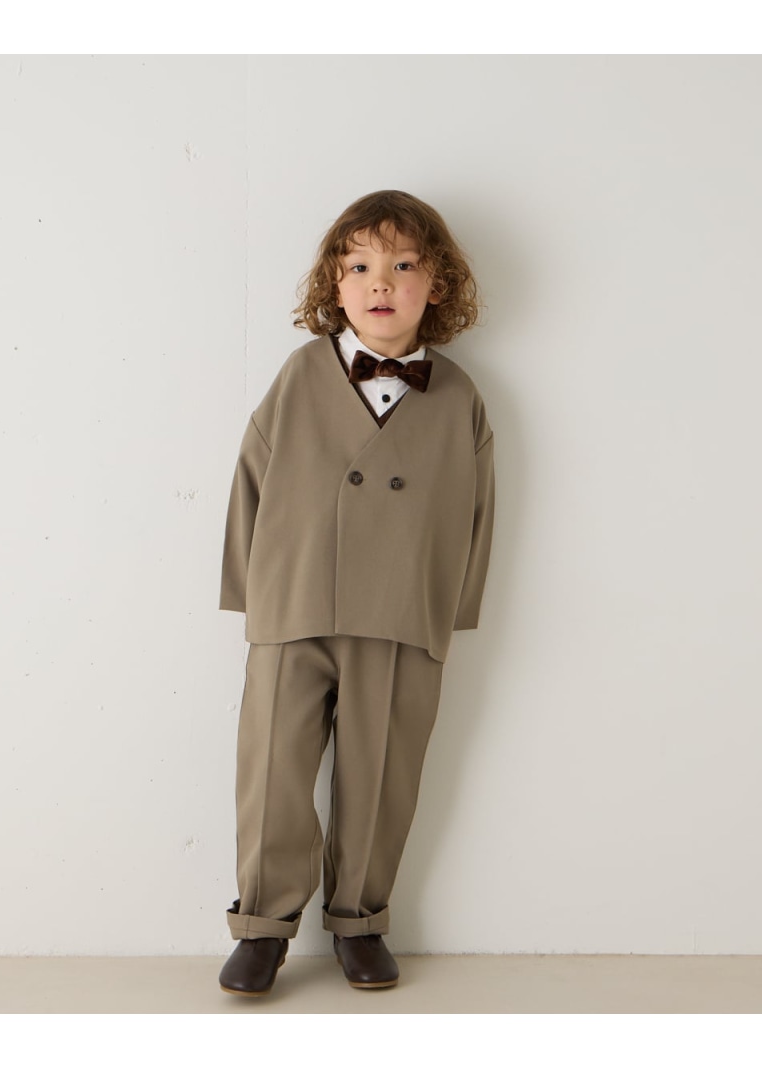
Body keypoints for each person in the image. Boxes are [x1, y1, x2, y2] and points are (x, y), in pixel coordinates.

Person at [217, 190, 495, 996]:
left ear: (436, 285)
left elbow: (478, 511)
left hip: (402, 610)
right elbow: (250, 477)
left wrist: (449, 609)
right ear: (334, 285)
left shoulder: (459, 397)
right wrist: (252, 593)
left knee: (383, 773)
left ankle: (361, 921)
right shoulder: (301, 374)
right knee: (272, 767)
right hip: (295, 598)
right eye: (361, 265)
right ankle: (262, 926)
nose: (381, 282)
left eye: (403, 265)